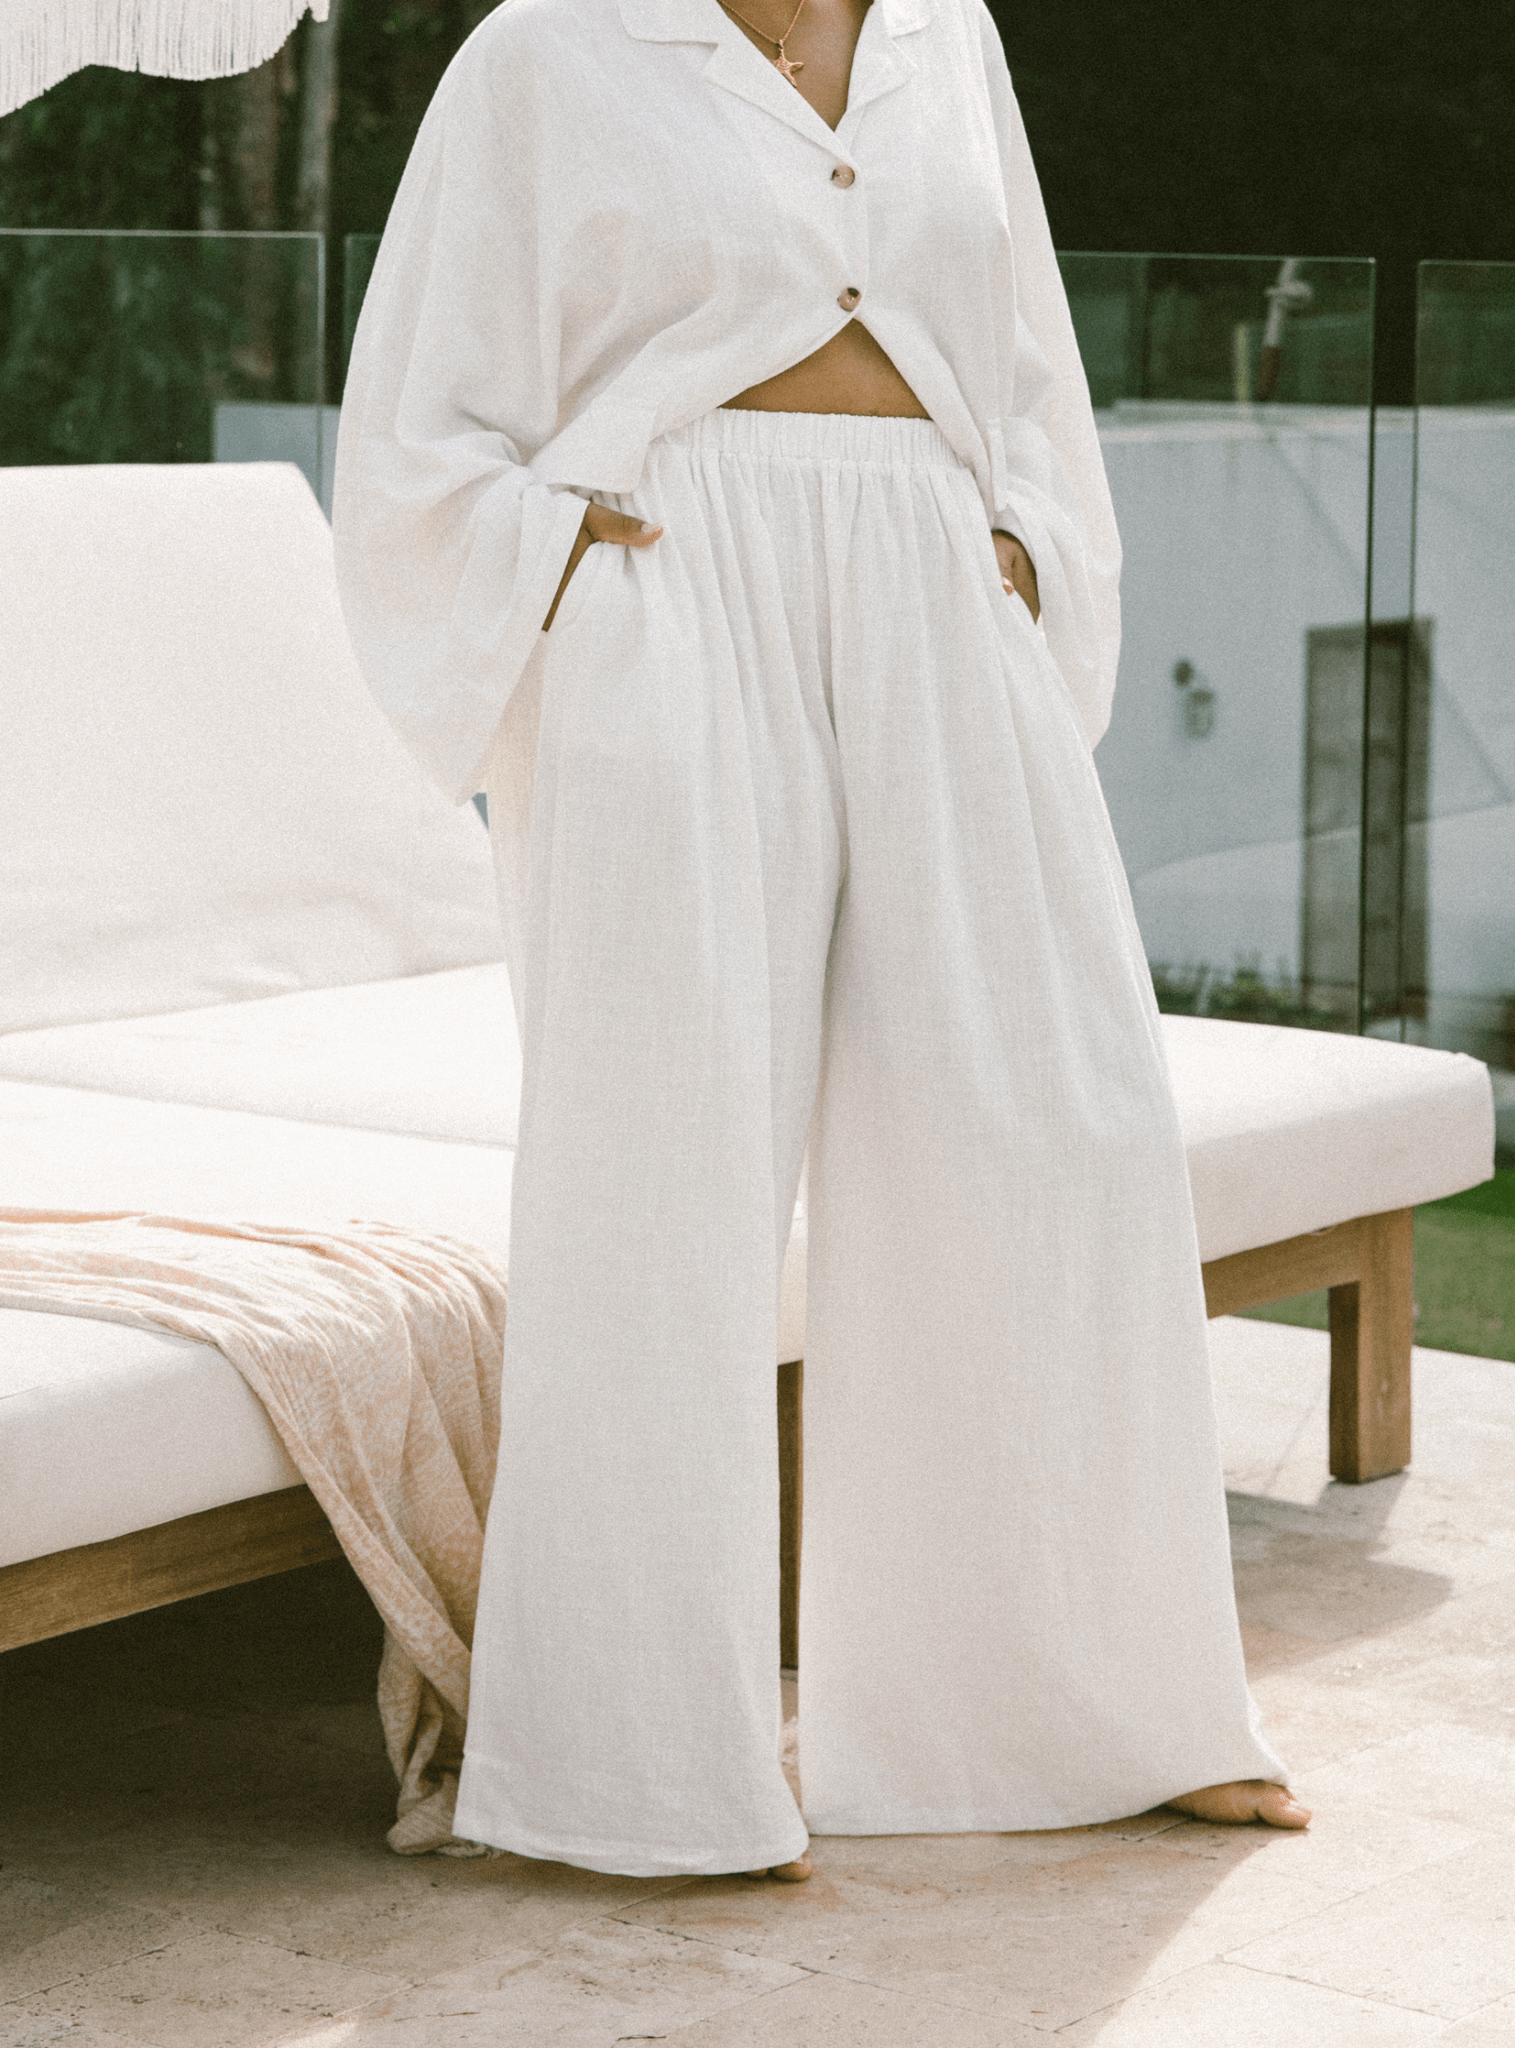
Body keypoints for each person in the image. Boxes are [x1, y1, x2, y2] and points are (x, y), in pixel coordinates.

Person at [333, 0, 1310, 1884]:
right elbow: (418, 408)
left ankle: (1084, 1714)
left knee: (1060, 1132)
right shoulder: (547, 50)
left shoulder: (948, 35)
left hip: (935, 580)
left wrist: (1018, 540)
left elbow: (1023, 356)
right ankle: (639, 1775)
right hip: (662, 575)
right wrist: (557, 555)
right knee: (658, 1177)